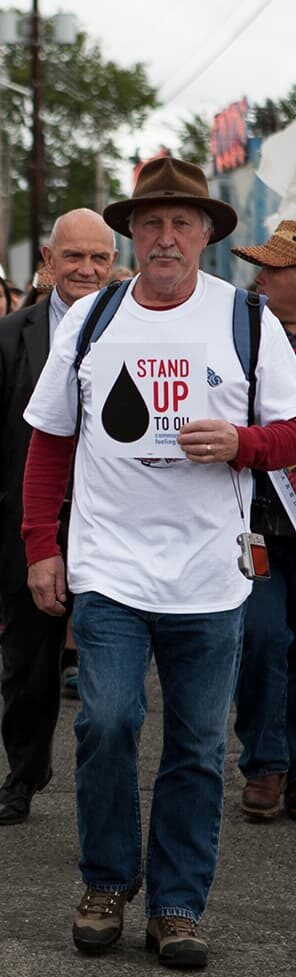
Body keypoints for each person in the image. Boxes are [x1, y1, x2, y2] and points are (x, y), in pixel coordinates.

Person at [22, 158, 296, 968]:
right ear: (130, 234)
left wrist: (242, 445)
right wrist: (43, 547)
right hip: (108, 568)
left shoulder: (248, 319)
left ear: (207, 233)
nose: (166, 238)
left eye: (182, 224)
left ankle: (178, 906)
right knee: (107, 722)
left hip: (211, 577)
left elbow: (292, 430)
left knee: (197, 747)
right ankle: (107, 882)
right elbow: (49, 442)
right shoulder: (92, 318)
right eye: (151, 224)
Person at [0, 208, 117, 826]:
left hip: (112, 532)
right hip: (26, 530)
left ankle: (104, 791)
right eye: (74, 257)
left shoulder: (133, 329)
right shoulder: (6, 338)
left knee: (110, 678)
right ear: (47, 261)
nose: (87, 270)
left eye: (100, 258)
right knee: (28, 670)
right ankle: (25, 771)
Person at [229, 220, 296, 821]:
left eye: (273, 267)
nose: (259, 277)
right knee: (263, 641)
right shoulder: (244, 334)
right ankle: (267, 762)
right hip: (259, 521)